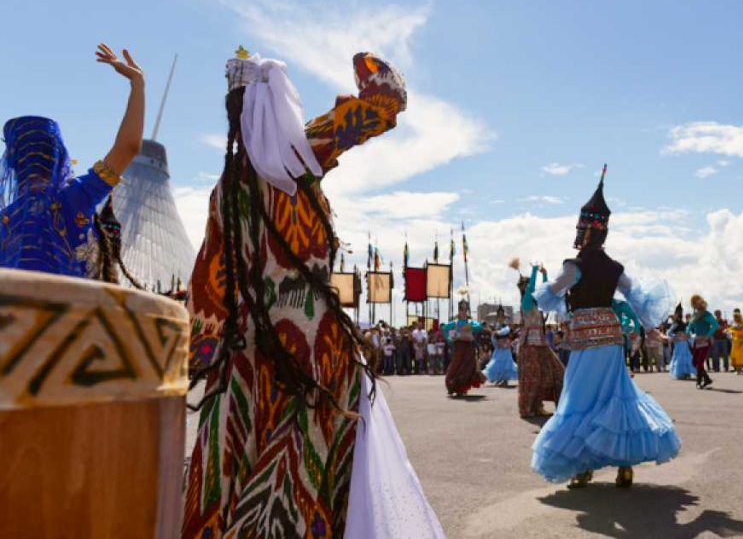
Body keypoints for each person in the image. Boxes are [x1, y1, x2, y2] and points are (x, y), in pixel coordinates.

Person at [183, 49, 442, 537]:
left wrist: (196, 357)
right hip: (315, 354)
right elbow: (388, 98)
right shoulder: (303, 157)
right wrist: (365, 66)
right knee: (310, 464)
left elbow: (207, 291)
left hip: (248, 357)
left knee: (233, 466)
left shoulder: (227, 189)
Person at [532, 167, 678, 489]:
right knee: (615, 395)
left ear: (583, 231)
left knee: (581, 398)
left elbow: (549, 293)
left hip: (585, 340)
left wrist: (542, 285)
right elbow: (637, 297)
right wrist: (648, 325)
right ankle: (624, 465)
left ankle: (582, 466)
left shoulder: (576, 266)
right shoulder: (614, 267)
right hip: (611, 339)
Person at [1, 44, 145, 278]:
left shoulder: (5, 221)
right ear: (60, 158)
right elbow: (128, 148)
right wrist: (137, 83)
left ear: (13, 163)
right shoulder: (76, 198)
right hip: (72, 313)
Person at [515, 262, 565, 417]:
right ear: (522, 288)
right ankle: (529, 408)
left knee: (555, 371)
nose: (528, 287)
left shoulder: (537, 302)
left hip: (541, 343)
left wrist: (544, 273)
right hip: (529, 344)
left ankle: (540, 406)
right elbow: (531, 289)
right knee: (533, 376)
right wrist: (535, 270)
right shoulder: (526, 302)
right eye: (525, 285)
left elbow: (545, 292)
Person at [441, 298, 486, 397]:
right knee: (457, 366)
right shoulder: (454, 323)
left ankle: (463, 388)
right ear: (459, 310)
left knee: (469, 367)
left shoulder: (470, 322)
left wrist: (470, 327)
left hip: (469, 347)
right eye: (461, 309)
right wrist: (450, 338)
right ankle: (455, 387)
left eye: (465, 309)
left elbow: (480, 327)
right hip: (459, 348)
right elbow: (444, 328)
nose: (463, 311)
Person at [687, 295, 719, 389]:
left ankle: (698, 382)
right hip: (696, 341)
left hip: (705, 342)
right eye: (694, 302)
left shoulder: (706, 314)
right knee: (694, 362)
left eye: (698, 302)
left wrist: (707, 336)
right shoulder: (694, 314)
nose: (696, 304)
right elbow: (689, 327)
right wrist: (689, 334)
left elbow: (715, 325)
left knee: (700, 362)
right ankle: (707, 379)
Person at [668, 304, 696, 380]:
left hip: (683, 343)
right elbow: (669, 333)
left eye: (676, 313)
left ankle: (686, 373)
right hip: (679, 343)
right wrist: (676, 336)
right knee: (680, 357)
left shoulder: (681, 323)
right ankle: (682, 373)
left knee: (684, 357)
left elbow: (688, 333)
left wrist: (685, 336)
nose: (675, 315)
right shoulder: (676, 323)